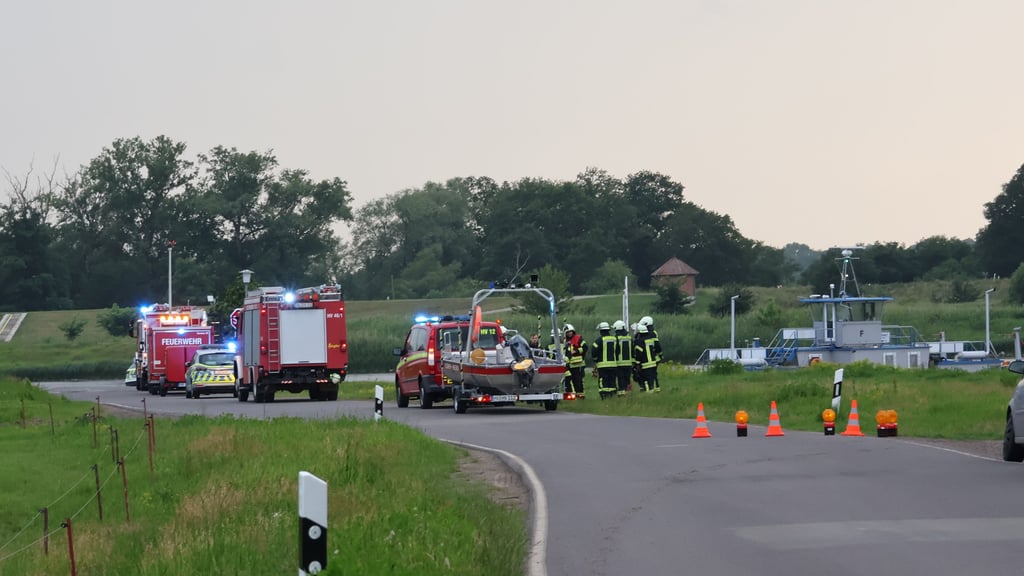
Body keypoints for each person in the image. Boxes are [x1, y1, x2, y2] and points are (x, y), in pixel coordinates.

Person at [591, 322, 618, 399]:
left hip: (603, 365)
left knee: (603, 381)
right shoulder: (614, 339)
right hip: (613, 365)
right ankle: (612, 395)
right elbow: (618, 351)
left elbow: (594, 352)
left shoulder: (599, 341)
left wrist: (596, 360)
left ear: (601, 331)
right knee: (612, 381)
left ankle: (604, 396)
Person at [562, 323, 587, 398]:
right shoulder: (565, 341)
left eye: (570, 332)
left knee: (578, 381)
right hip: (569, 364)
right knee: (569, 380)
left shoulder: (578, 338)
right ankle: (572, 395)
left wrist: (576, 351)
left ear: (573, 331)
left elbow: (585, 348)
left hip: (578, 364)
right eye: (567, 332)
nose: (569, 333)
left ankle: (580, 395)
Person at [638, 315, 662, 392]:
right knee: (653, 375)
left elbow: (657, 345)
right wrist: (660, 354)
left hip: (650, 358)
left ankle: (650, 389)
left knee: (649, 375)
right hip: (654, 357)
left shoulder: (650, 333)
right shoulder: (653, 333)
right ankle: (655, 389)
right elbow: (657, 346)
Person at [634, 323, 658, 392]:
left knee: (645, 381)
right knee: (651, 380)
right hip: (653, 363)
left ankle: (648, 394)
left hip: (645, 364)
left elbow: (639, 354)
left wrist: (637, 364)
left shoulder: (640, 341)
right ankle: (652, 392)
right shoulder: (650, 339)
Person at [613, 320, 632, 396]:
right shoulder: (629, 338)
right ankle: (629, 393)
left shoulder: (616, 339)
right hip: (629, 363)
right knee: (627, 379)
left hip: (619, 363)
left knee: (621, 380)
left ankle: (621, 394)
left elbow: (615, 350)